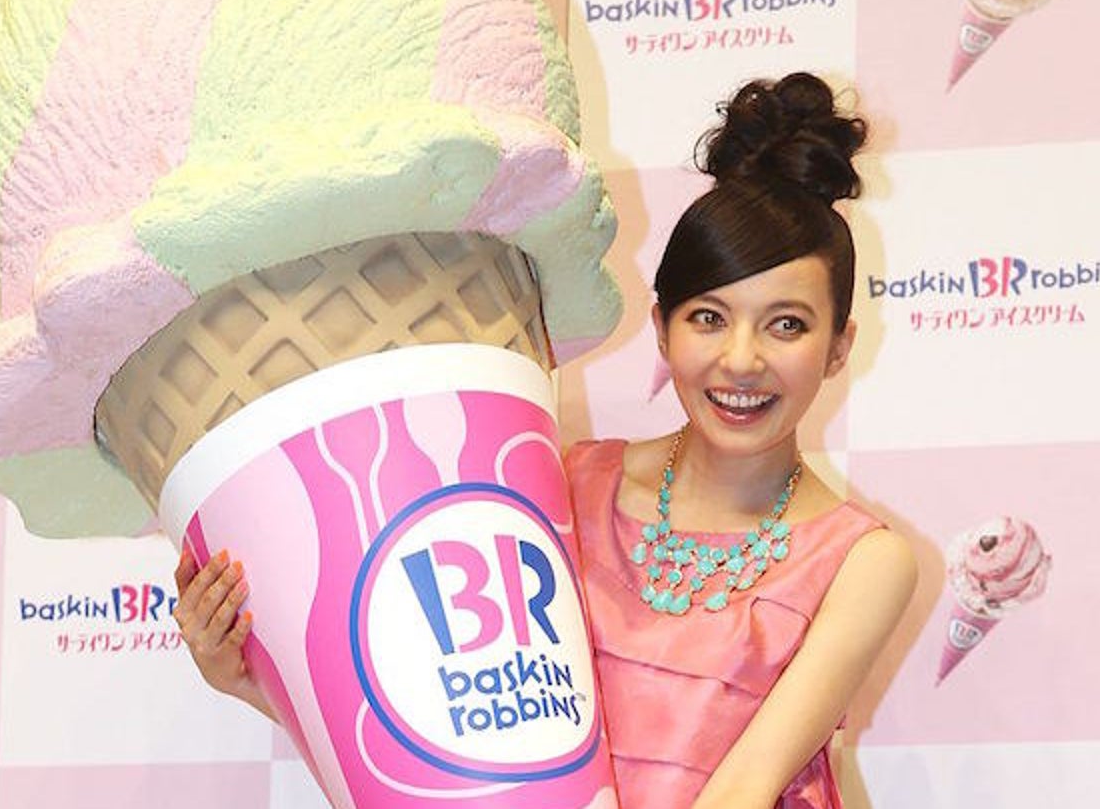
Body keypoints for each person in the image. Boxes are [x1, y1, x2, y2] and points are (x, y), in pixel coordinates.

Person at [174, 72, 916, 809]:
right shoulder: (567, 482)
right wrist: (245, 676)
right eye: (709, 318)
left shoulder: (862, 560)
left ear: (838, 347)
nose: (742, 360)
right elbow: (452, 739)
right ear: (662, 330)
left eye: (787, 325)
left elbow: (746, 788)